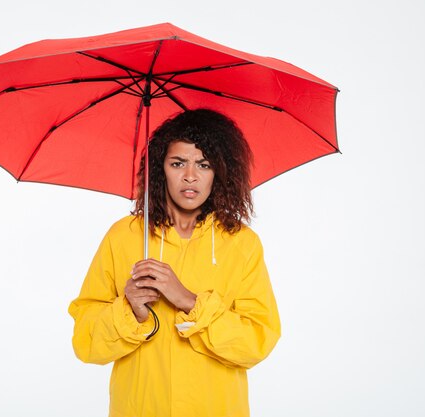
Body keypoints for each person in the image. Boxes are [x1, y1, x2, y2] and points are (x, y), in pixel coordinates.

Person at [68, 109, 281, 417]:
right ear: (160, 168)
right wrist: (130, 311)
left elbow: (256, 343)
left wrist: (188, 300)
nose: (190, 176)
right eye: (178, 163)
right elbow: (85, 342)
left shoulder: (241, 243)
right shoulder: (124, 237)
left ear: (220, 172)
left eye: (204, 165)